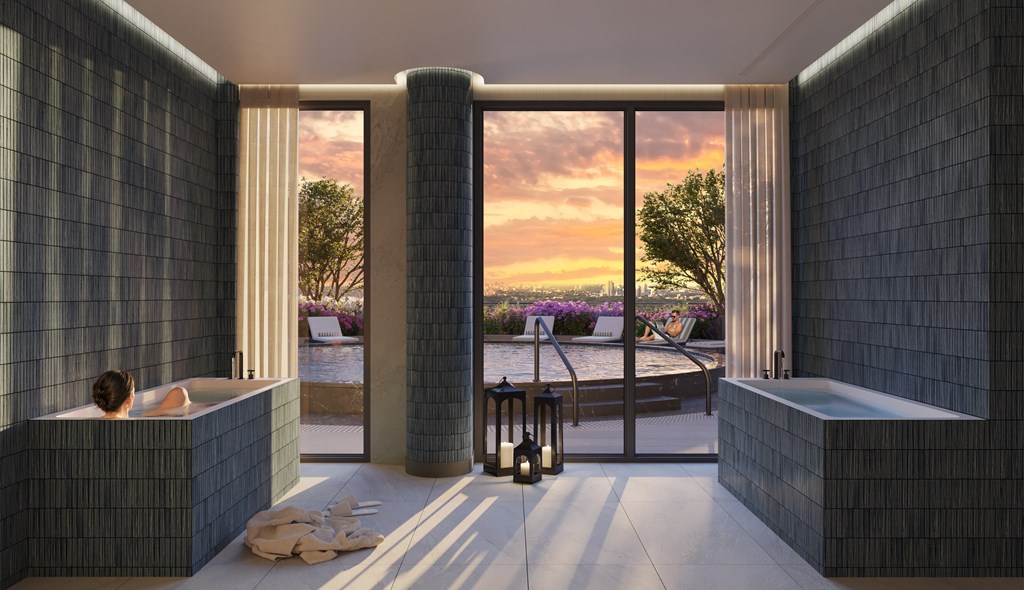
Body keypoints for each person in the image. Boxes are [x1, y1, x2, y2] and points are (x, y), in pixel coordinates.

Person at [91, 370, 192, 419]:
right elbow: (179, 393)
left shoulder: (89, 423)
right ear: (129, 399)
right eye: (134, 392)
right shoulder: (140, 428)